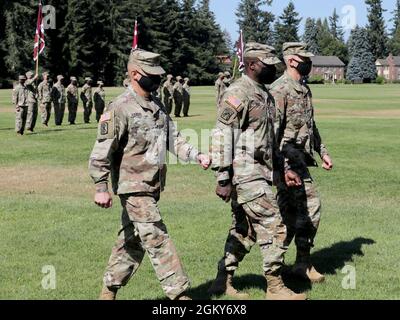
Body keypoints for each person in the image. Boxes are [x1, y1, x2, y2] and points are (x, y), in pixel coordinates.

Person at [89, 49, 211, 301]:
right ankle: (180, 295)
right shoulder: (119, 108)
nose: (156, 80)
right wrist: (101, 187)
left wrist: (196, 154)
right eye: (151, 74)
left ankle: (108, 291)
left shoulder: (157, 105)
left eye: (158, 75)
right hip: (133, 186)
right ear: (135, 74)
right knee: (156, 236)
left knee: (131, 242)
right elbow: (101, 150)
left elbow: (174, 140)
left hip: (152, 185)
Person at [208, 42, 306, 300]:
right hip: (245, 173)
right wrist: (222, 177)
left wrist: (283, 168)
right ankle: (275, 287)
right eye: (268, 64)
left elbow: (270, 141)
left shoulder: (265, 94)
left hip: (262, 172)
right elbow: (222, 135)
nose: (274, 69)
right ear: (252, 65)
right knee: (275, 225)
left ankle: (223, 280)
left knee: (244, 230)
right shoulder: (238, 92)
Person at [270, 42, 334, 284]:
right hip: (286, 161)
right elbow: (271, 134)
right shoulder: (280, 90)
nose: (309, 62)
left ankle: (289, 266)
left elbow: (310, 125)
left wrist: (322, 151)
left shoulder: (304, 89)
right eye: (304, 58)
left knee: (289, 215)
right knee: (306, 209)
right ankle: (285, 268)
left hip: (300, 161)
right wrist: (282, 168)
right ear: (291, 60)